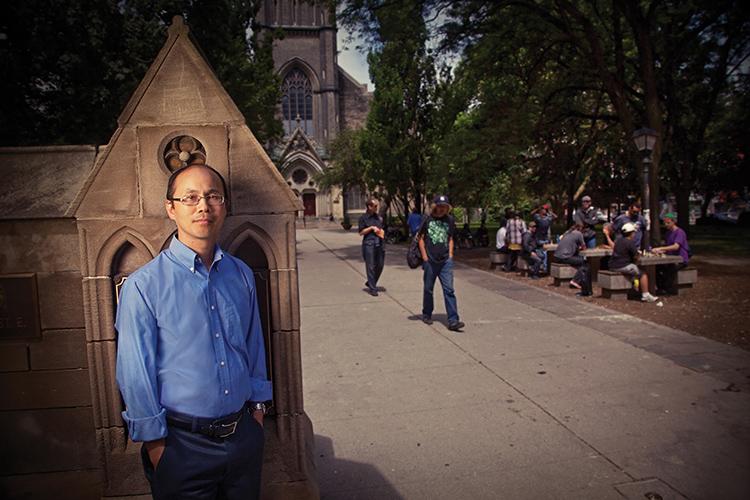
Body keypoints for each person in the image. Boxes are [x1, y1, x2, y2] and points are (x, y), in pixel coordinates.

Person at [115, 164, 272, 500]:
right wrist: (158, 447)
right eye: (190, 198)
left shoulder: (240, 274)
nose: (203, 206)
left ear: (224, 206)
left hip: (243, 435)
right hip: (181, 446)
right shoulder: (144, 287)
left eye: (213, 196)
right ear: (171, 208)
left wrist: (258, 413)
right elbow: (135, 372)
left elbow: (253, 346)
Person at [418, 195, 465, 331]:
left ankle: (453, 320)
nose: (443, 209)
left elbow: (450, 238)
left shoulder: (449, 220)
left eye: (445, 206)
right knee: (428, 289)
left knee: (449, 290)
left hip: (445, 261)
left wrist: (450, 255)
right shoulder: (427, 219)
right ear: (435, 206)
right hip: (430, 261)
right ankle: (427, 313)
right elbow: (420, 238)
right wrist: (425, 257)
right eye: (441, 206)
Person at [608, 222, 659, 302]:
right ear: (631, 233)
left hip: (613, 265)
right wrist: (639, 255)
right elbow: (636, 256)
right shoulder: (630, 242)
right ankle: (645, 294)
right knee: (643, 274)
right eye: (633, 232)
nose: (634, 234)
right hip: (622, 265)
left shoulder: (619, 240)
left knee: (634, 272)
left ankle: (635, 289)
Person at [652, 213, 690, 295]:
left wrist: (661, 248)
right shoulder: (668, 233)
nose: (666, 225)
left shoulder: (680, 232)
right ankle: (660, 288)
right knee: (657, 267)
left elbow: (676, 246)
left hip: (681, 259)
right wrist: (660, 251)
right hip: (670, 258)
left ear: (673, 222)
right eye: (665, 223)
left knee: (670, 269)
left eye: (668, 223)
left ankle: (667, 289)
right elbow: (668, 247)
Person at [553, 223, 592, 296]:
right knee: (585, 263)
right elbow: (584, 247)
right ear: (581, 229)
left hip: (556, 256)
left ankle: (578, 278)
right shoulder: (578, 234)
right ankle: (575, 281)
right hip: (565, 257)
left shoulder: (567, 232)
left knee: (578, 261)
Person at [358, 198, 386, 296]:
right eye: (375, 206)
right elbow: (361, 232)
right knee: (370, 266)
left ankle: (371, 281)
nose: (376, 208)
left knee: (380, 264)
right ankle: (373, 288)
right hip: (369, 243)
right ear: (369, 207)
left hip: (380, 242)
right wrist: (370, 228)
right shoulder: (363, 218)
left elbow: (381, 228)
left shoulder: (378, 217)